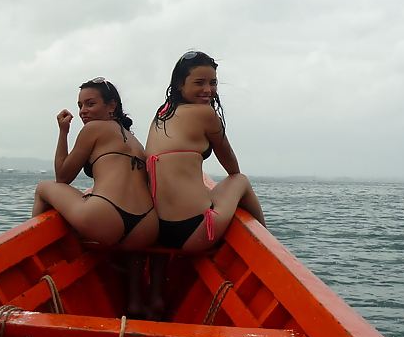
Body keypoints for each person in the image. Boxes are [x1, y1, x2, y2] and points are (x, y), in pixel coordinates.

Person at [145, 50, 266, 250]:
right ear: (179, 84)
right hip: (195, 229)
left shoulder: (162, 113)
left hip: (160, 231)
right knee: (240, 180)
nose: (208, 89)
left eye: (213, 83)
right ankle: (265, 241)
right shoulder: (205, 113)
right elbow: (232, 167)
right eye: (199, 83)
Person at [32, 78, 158, 251]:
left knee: (43, 187)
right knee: (132, 266)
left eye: (90, 104)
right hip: (147, 226)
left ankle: (42, 252)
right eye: (80, 106)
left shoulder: (94, 128)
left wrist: (63, 132)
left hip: (105, 217)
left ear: (111, 106)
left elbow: (62, 177)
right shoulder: (134, 140)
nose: (83, 111)